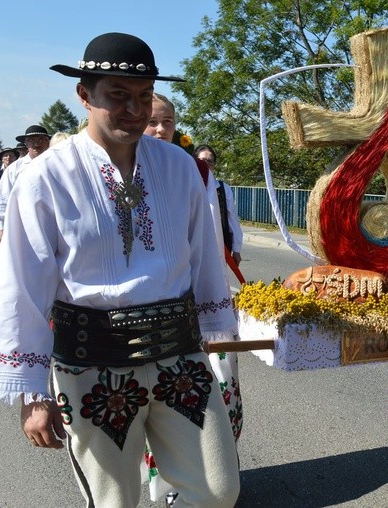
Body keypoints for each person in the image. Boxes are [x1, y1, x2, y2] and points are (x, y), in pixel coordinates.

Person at [0, 32, 240, 507]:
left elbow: (204, 255)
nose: (136, 110)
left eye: (144, 97)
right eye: (118, 96)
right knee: (114, 501)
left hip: (178, 356)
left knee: (217, 489)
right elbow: (20, 284)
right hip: (92, 363)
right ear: (85, 96)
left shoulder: (179, 167)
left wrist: (217, 333)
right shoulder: (46, 177)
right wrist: (32, 393)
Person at [143, 92, 243, 505]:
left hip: (204, 296)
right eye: (152, 122)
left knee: (221, 386)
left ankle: (218, 471)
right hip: (153, 313)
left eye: (166, 121)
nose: (159, 129)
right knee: (162, 401)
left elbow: (220, 230)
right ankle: (166, 484)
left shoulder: (195, 171)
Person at [0, 126, 51, 246]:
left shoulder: (57, 164)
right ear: (26, 144)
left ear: (48, 142)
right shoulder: (15, 169)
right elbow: (3, 198)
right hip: (24, 225)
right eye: (32, 140)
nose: (36, 144)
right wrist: (0, 228)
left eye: (40, 139)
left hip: (53, 223)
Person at [194, 144, 244, 265]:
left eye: (210, 162)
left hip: (217, 248)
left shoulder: (223, 189)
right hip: (192, 246)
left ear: (214, 166)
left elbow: (232, 218)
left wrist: (236, 249)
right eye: (202, 161)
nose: (206, 165)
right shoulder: (187, 185)